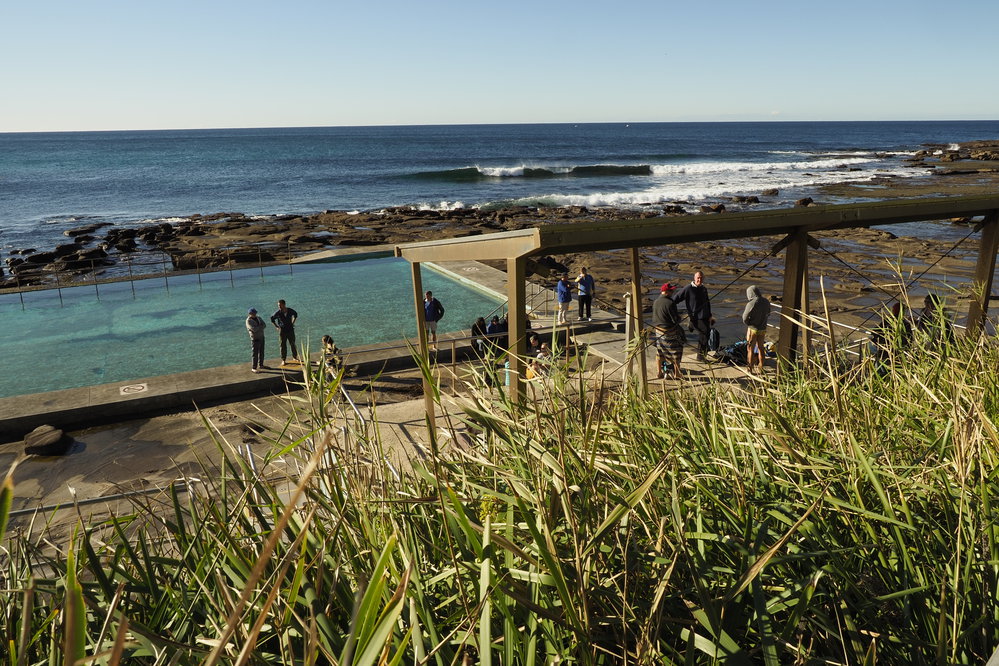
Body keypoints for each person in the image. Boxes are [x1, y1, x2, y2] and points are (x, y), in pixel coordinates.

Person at [674, 270, 712, 361]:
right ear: (694, 278)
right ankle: (701, 357)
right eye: (698, 277)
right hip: (696, 316)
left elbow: (707, 302)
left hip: (705, 316)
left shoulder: (703, 288)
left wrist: (710, 314)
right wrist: (671, 309)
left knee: (707, 333)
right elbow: (676, 299)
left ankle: (691, 325)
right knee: (704, 333)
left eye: (701, 278)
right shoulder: (688, 288)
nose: (700, 279)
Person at [652, 282, 685, 380]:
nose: (673, 292)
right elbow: (675, 320)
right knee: (677, 350)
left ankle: (659, 372)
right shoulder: (670, 303)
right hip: (669, 331)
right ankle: (677, 373)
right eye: (671, 291)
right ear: (666, 291)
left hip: (658, 331)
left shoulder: (656, 301)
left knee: (660, 351)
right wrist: (680, 318)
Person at [870, 301, 912, 366]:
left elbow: (875, 332)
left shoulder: (887, 321)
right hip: (899, 354)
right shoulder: (906, 324)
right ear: (903, 312)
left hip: (884, 351)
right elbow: (910, 340)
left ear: (893, 311)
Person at [742, 285, 771, 374]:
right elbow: (769, 313)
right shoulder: (766, 301)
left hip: (753, 329)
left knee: (750, 348)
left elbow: (744, 317)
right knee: (761, 348)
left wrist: (749, 323)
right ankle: (761, 367)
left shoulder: (751, 303)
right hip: (762, 328)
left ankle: (749, 368)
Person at [270, 299, 299, 366]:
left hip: (290, 330)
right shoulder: (278, 313)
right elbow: (272, 319)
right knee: (283, 345)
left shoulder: (290, 310)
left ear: (284, 304)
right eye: (278, 305)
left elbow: (295, 315)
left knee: (293, 344)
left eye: (280, 305)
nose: (279, 307)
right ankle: (283, 360)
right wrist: (277, 326)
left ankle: (295, 357)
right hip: (282, 331)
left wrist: (293, 322)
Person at [245, 308, 267, 373]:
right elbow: (253, 329)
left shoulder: (258, 318)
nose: (255, 314)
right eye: (253, 313)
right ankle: (254, 368)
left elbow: (264, 325)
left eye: (255, 313)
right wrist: (260, 327)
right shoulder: (248, 321)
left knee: (262, 352)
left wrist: (258, 327)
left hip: (261, 337)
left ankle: (261, 365)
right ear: (250, 314)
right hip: (255, 338)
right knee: (255, 354)